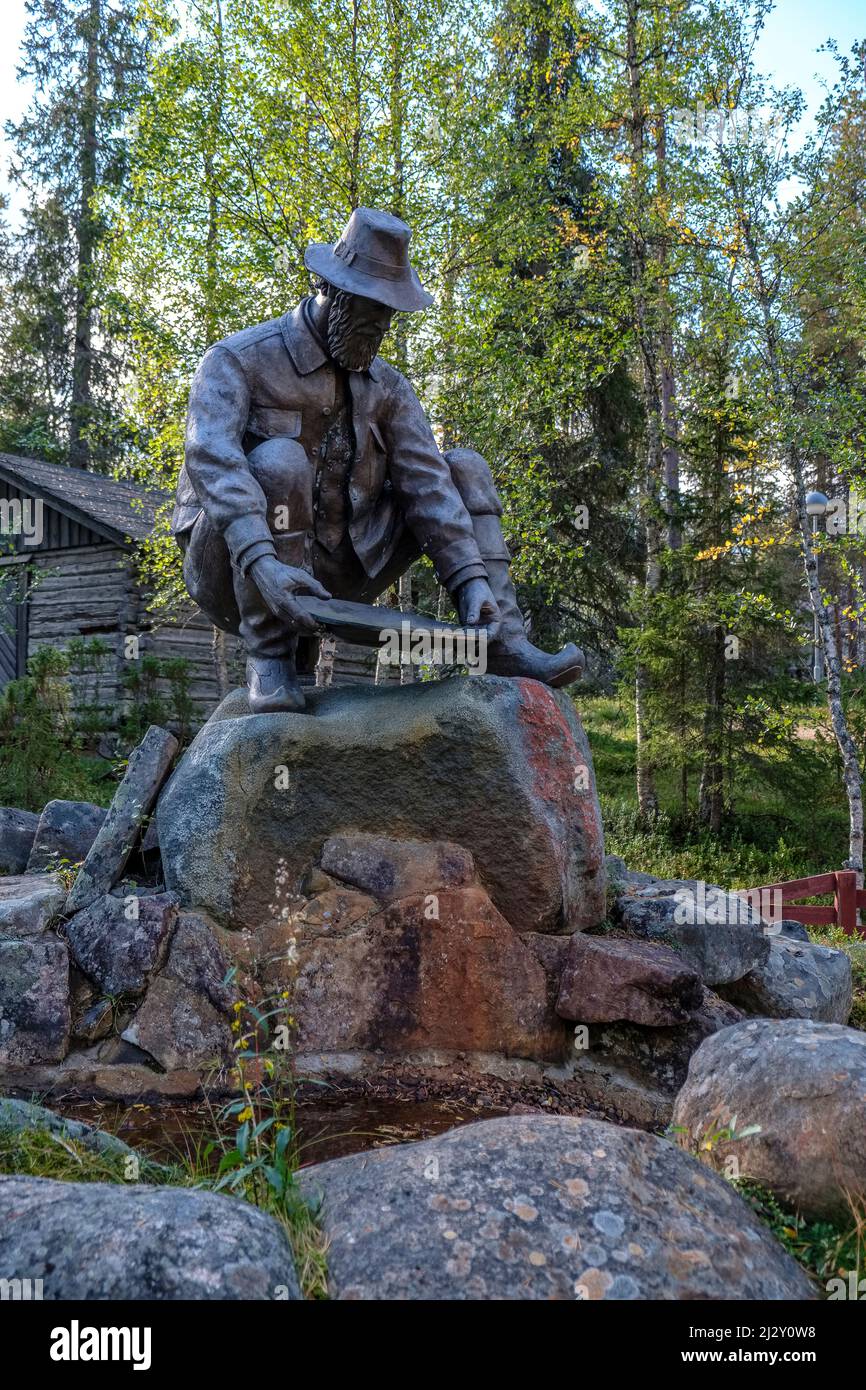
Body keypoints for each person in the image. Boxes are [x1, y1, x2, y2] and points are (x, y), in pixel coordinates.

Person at [174, 206, 582, 712]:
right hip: (236, 567)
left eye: (390, 313)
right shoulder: (238, 359)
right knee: (279, 461)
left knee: (464, 467)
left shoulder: (388, 387)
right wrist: (261, 560)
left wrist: (471, 580)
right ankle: (271, 658)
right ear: (333, 293)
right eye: (373, 310)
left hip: (340, 567)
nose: (383, 325)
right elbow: (211, 459)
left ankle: (502, 639)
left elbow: (429, 486)